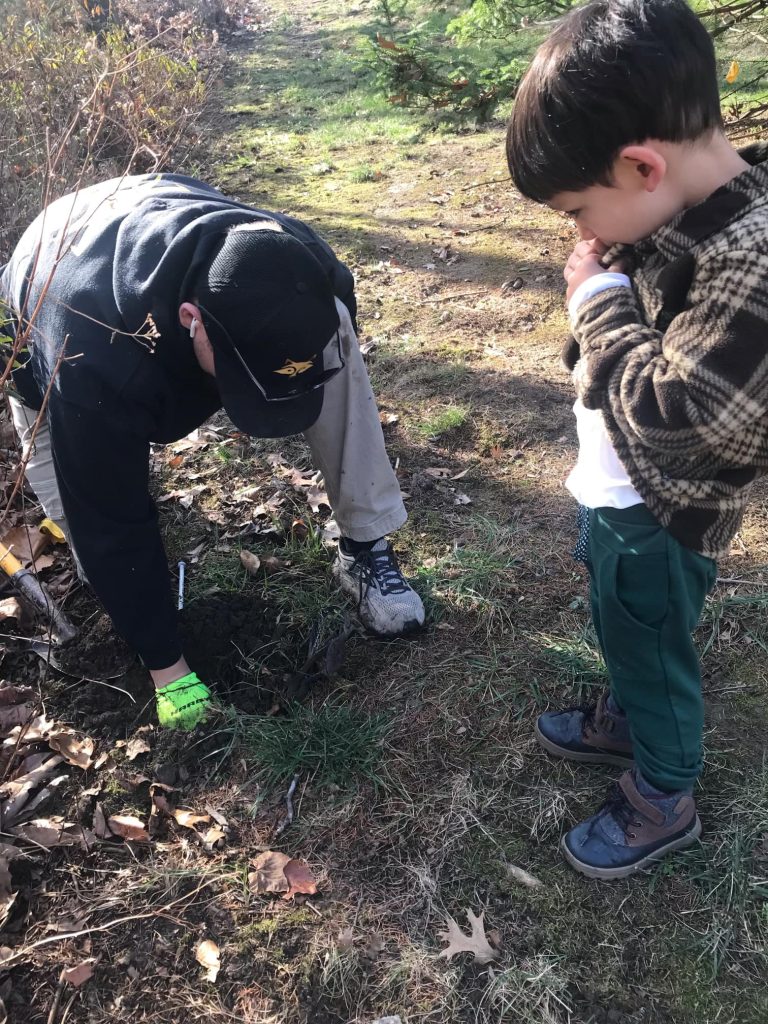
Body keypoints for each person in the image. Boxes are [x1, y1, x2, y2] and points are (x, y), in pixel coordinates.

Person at [0, 174, 424, 730]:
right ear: (191, 321)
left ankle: (365, 543)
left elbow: (319, 330)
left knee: (332, 335)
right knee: (90, 525)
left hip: (151, 204)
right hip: (49, 285)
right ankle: (147, 628)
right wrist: (168, 671)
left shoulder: (307, 265)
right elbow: (109, 519)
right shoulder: (95, 358)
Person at [506, 0, 768, 878]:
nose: (578, 234)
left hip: (663, 512)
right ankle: (627, 710)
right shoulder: (676, 216)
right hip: (620, 495)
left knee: (651, 640)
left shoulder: (751, 260)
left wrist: (599, 304)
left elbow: (687, 422)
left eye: (580, 208)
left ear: (642, 165)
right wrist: (608, 285)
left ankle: (665, 790)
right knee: (624, 624)